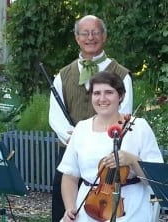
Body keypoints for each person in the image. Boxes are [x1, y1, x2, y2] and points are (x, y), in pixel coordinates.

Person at [49, 15, 133, 222]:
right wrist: (74, 137)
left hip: (108, 156)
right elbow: (55, 115)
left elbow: (125, 113)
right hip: (70, 153)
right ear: (77, 38)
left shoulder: (121, 74)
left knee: (106, 213)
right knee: (66, 212)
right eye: (84, 33)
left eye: (96, 32)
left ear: (104, 36)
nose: (90, 37)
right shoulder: (63, 74)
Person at [58, 71, 164, 222]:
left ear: (120, 96)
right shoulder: (81, 128)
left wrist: (132, 160)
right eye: (97, 93)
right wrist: (69, 207)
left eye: (109, 92)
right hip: (89, 205)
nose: (102, 99)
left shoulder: (139, 127)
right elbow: (70, 176)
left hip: (130, 207)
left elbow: (156, 180)